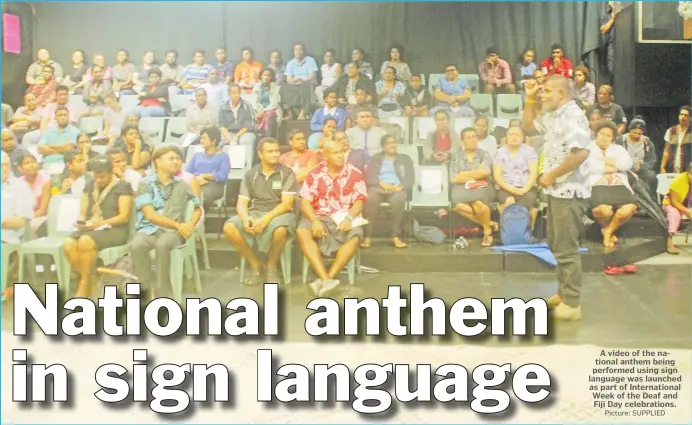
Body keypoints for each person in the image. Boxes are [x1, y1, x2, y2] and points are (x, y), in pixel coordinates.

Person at [523, 75, 592, 321]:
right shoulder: (556, 116)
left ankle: (572, 304)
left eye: (546, 90)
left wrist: (552, 175)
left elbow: (581, 152)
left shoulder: (572, 116)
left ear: (562, 94)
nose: (542, 94)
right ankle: (563, 293)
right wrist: (530, 98)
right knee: (556, 244)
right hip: (556, 191)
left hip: (568, 191)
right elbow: (529, 126)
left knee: (566, 248)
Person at [297, 140, 367, 297]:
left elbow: (359, 201)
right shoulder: (315, 173)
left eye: (342, 151)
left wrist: (349, 218)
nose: (341, 155)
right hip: (318, 215)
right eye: (335, 153)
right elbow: (304, 201)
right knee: (302, 231)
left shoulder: (354, 173)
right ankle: (326, 279)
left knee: (355, 235)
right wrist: (314, 221)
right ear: (325, 156)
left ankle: (328, 278)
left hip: (344, 215)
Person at [223, 137, 298, 285]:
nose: (275, 154)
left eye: (277, 150)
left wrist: (266, 219)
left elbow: (287, 204)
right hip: (255, 211)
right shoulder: (251, 174)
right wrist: (245, 218)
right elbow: (242, 202)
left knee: (280, 231)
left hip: (279, 213)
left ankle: (271, 266)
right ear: (260, 154)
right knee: (229, 227)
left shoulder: (286, 172)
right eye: (270, 151)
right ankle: (255, 263)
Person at [129, 145, 202, 292]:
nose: (176, 162)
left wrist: (190, 224)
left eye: (178, 159)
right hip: (149, 229)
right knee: (136, 244)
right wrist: (177, 224)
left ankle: (164, 290)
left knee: (162, 244)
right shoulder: (145, 183)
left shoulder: (182, 185)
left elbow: (197, 207)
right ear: (158, 162)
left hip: (173, 233)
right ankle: (146, 286)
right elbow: (149, 214)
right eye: (171, 159)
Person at [62, 155, 133, 298]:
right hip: (91, 227)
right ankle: (90, 277)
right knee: (68, 243)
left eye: (103, 177)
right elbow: (83, 212)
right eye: (96, 177)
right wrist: (81, 222)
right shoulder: (89, 186)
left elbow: (124, 216)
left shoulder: (123, 186)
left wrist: (101, 223)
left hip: (114, 228)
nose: (99, 180)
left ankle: (84, 285)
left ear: (111, 172)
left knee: (85, 241)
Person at [587, 120, 637, 248]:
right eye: (602, 134)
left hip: (618, 183)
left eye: (608, 136)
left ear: (613, 138)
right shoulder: (587, 147)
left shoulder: (618, 148)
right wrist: (611, 166)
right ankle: (606, 228)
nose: (604, 138)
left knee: (629, 207)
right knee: (603, 211)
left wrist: (603, 160)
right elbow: (588, 166)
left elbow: (626, 164)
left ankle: (607, 231)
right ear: (596, 134)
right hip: (596, 184)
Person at [362, 134, 414, 249]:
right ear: (383, 146)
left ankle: (394, 235)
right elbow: (369, 175)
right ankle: (367, 236)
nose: (393, 145)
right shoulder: (375, 158)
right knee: (370, 198)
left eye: (394, 142)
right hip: (377, 187)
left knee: (400, 198)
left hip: (396, 188)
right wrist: (381, 183)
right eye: (389, 143)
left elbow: (410, 177)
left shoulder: (405, 158)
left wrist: (401, 187)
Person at [450, 128, 496, 247]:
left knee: (478, 203)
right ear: (462, 140)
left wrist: (464, 174)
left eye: (474, 136)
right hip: (462, 189)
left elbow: (485, 172)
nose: (472, 139)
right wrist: (475, 174)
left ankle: (487, 232)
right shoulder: (456, 157)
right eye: (468, 137)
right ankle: (489, 224)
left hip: (482, 187)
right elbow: (454, 178)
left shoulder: (484, 154)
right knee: (459, 206)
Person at [1, 151, 34, 299]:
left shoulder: (21, 187)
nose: (3, 168)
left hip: (9, 237)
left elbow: (20, 221)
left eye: (5, 164)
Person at [493, 126, 539, 229]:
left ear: (523, 137)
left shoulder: (530, 151)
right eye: (511, 134)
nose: (514, 137)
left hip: (527, 187)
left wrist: (524, 189)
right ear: (506, 137)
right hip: (505, 188)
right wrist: (511, 189)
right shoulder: (499, 152)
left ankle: (528, 232)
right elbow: (497, 176)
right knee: (508, 201)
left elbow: (533, 173)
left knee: (528, 202)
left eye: (517, 135)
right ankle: (508, 232)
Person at [185, 127, 230, 210]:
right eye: (201, 138)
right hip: (196, 182)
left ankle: (198, 219)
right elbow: (187, 173)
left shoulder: (223, 157)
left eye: (204, 138)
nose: (201, 141)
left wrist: (204, 176)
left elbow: (222, 176)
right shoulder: (197, 155)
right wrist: (197, 179)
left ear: (214, 141)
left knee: (198, 197)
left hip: (213, 185)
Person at [615, 116, 657, 193]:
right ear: (630, 129)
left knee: (652, 177)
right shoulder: (620, 140)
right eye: (634, 132)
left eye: (639, 134)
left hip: (642, 169)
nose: (636, 135)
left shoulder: (647, 143)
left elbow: (652, 160)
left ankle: (651, 199)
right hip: (625, 169)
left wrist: (641, 166)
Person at [281, 43, 318, 120]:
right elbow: (288, 78)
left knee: (305, 86)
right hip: (295, 84)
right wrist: (294, 81)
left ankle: (303, 113)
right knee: (284, 87)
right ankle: (290, 113)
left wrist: (304, 80)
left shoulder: (310, 60)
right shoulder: (290, 63)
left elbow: (313, 76)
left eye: (300, 49)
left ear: (304, 51)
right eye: (295, 49)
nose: (297, 51)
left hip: (308, 82)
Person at [662, 163, 692, 254]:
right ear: (687, 172)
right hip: (671, 204)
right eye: (691, 174)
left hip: (688, 205)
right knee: (674, 214)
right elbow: (674, 202)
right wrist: (687, 211)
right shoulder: (678, 180)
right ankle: (670, 241)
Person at [251, 68, 282, 137]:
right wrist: (258, 111)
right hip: (258, 110)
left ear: (271, 77)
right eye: (265, 75)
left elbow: (274, 104)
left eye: (269, 76)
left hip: (271, 110)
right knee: (251, 115)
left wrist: (263, 112)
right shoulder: (256, 86)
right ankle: (257, 136)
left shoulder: (275, 87)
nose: (266, 77)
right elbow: (254, 101)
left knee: (269, 115)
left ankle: (266, 136)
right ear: (261, 76)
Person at [661, 106, 691, 174]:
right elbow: (666, 150)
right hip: (673, 168)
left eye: (686, 115)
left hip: (688, 170)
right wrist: (662, 167)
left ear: (690, 118)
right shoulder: (671, 131)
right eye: (681, 114)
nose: (683, 117)